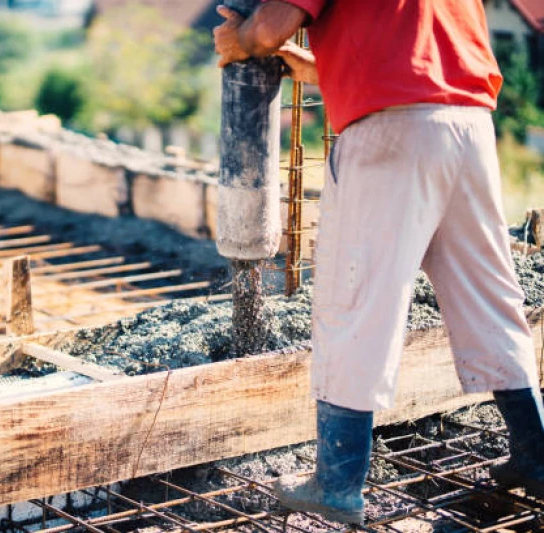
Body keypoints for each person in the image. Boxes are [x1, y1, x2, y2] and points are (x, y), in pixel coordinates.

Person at [214, 0, 544, 525]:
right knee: (488, 295)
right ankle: (535, 455)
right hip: (470, 129)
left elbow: (270, 28)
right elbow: (412, 59)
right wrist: (315, 67)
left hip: (392, 136)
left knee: (356, 300)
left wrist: (242, 41)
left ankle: (337, 483)